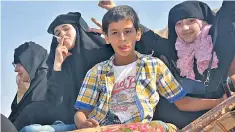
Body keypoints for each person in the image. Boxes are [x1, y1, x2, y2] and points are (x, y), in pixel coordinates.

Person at [9, 41, 48, 124]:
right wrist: (20, 94)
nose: (16, 69)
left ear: (33, 61)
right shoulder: (32, 85)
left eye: (20, 63)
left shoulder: (47, 82)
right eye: (15, 64)